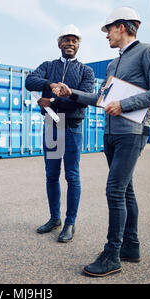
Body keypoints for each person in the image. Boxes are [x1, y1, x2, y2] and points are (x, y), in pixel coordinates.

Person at [53, 7, 150, 276]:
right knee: (126, 190)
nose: (106, 35)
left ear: (122, 26)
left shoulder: (149, 51)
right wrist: (72, 93)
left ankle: (112, 255)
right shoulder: (112, 64)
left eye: (108, 30)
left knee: (115, 191)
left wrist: (124, 104)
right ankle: (131, 246)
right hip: (111, 133)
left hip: (132, 132)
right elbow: (101, 99)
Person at [25, 24, 95, 243]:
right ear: (59, 43)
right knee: (51, 175)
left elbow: (83, 99)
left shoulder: (86, 71)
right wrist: (51, 84)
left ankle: (70, 222)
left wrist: (53, 100)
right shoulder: (48, 66)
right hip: (52, 126)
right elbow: (29, 81)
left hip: (72, 127)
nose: (70, 43)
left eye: (74, 40)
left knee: (72, 176)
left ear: (79, 45)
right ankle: (54, 218)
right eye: (66, 39)